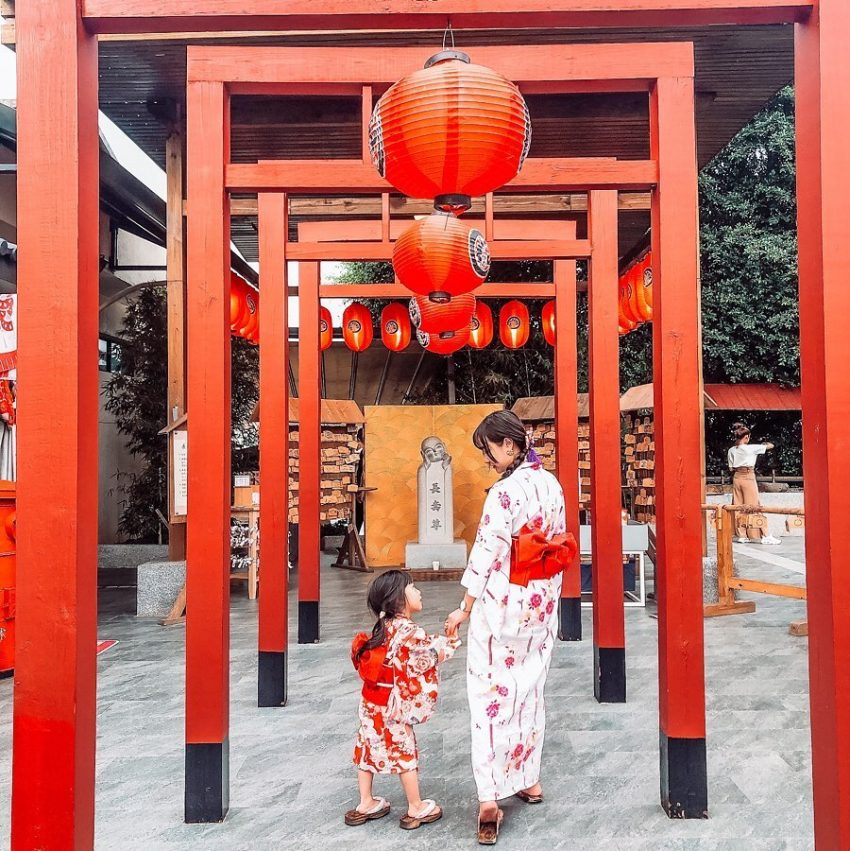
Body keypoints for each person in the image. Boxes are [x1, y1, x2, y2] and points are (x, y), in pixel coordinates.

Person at [444, 411, 576, 845]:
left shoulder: (503, 493)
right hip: (540, 603)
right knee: (529, 689)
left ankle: (489, 798)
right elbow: (560, 541)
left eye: (488, 450)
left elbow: (486, 553)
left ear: (508, 444)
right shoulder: (552, 484)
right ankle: (528, 778)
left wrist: (464, 607)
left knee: (489, 697)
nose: (487, 459)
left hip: (502, 607)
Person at [346, 570, 460, 830]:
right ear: (398, 598)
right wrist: (452, 641)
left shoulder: (383, 626)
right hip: (392, 704)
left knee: (367, 744)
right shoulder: (410, 630)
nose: (418, 592)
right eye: (413, 587)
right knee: (403, 749)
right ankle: (415, 806)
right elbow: (427, 655)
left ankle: (365, 802)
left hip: (371, 701)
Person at [727, 422, 781, 545]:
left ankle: (741, 535)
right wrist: (762, 444)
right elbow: (771, 446)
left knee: (738, 506)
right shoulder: (751, 448)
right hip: (748, 476)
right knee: (754, 505)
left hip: (737, 477)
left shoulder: (731, 450)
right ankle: (765, 535)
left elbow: (731, 468)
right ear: (746, 437)